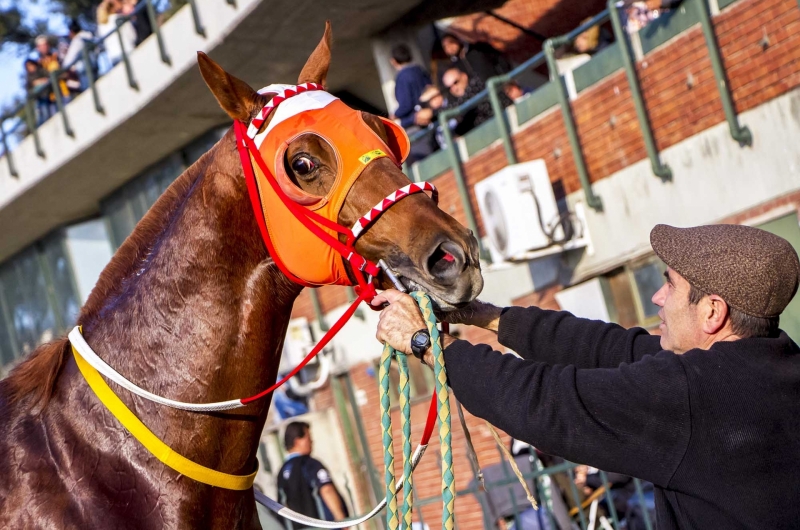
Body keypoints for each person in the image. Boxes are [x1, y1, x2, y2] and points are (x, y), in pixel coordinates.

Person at [374, 223, 800, 529]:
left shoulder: (694, 392)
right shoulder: (771, 365)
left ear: (712, 312)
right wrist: (486, 316)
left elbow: (550, 404)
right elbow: (608, 348)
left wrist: (424, 344)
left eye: (670, 286)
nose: (657, 297)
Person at [277, 421, 348, 528]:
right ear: (298, 441)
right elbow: (326, 489)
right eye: (308, 438)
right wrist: (341, 519)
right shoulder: (310, 464)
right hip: (323, 526)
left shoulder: (282, 472)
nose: (312, 441)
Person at [439, 32, 512, 84]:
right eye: (445, 47)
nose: (449, 48)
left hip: (499, 84)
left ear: (457, 40)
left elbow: (499, 58)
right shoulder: (455, 66)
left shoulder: (478, 48)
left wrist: (506, 78)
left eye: (451, 43)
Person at [390, 44, 432, 132]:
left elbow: (406, 104)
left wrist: (395, 115)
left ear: (393, 61)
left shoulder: (402, 77)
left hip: (417, 121)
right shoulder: (419, 70)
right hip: (431, 112)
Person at [97, 0, 136, 71]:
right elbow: (132, 35)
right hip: (127, 50)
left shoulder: (101, 27)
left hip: (113, 56)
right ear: (111, 8)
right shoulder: (119, 18)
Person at [61, 20, 95, 95]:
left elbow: (68, 61)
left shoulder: (77, 40)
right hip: (94, 65)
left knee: (89, 93)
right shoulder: (89, 35)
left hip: (84, 71)